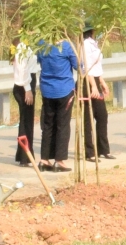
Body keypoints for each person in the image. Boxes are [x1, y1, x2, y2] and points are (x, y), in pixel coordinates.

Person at [37, 38, 78, 172]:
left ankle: (44, 159)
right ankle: (59, 160)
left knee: (48, 125)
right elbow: (78, 66)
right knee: (62, 125)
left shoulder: (41, 44)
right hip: (64, 89)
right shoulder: (66, 46)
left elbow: (39, 61)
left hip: (47, 90)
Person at [82, 23, 113, 160]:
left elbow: (96, 66)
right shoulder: (84, 45)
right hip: (87, 82)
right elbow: (86, 67)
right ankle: (89, 152)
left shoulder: (93, 44)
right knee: (89, 118)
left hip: (95, 80)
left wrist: (102, 82)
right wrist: (93, 86)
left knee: (102, 115)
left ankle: (103, 149)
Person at [11, 37, 40, 167]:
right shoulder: (22, 47)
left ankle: (24, 156)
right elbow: (23, 69)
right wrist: (28, 89)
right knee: (26, 122)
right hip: (25, 86)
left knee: (26, 121)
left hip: (26, 84)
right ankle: (25, 156)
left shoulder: (25, 46)